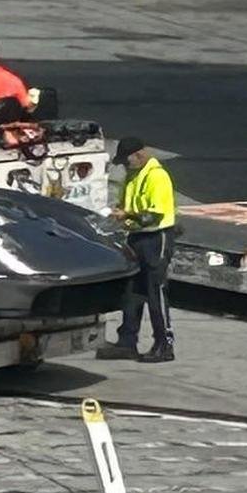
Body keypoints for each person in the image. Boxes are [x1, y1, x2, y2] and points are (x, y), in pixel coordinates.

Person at [97, 137, 178, 364]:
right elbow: (128, 207)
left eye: (126, 161)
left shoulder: (157, 177)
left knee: (155, 292)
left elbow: (155, 215)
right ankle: (127, 342)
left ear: (140, 155)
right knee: (132, 292)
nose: (124, 166)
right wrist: (119, 214)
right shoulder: (133, 176)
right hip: (137, 238)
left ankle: (164, 344)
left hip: (156, 238)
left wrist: (128, 215)